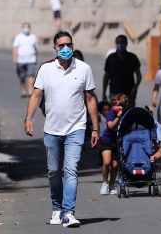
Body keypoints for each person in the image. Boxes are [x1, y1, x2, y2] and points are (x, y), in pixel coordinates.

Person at [24, 31, 99, 227]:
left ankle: (68, 212)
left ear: (73, 46)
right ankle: (57, 208)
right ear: (55, 48)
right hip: (52, 129)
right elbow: (35, 96)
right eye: (62, 45)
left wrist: (95, 128)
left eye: (69, 44)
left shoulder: (84, 68)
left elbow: (90, 99)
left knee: (71, 170)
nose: (66, 48)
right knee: (54, 171)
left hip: (77, 127)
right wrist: (28, 118)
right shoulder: (46, 69)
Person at [99, 93, 129, 195]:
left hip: (117, 142)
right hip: (107, 140)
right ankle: (105, 183)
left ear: (124, 106)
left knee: (115, 165)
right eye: (114, 104)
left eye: (119, 104)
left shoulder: (126, 115)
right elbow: (111, 126)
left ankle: (112, 184)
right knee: (107, 162)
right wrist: (118, 118)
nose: (116, 107)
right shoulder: (110, 114)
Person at [102, 34, 142, 107]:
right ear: (115, 44)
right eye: (118, 43)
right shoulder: (110, 58)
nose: (120, 45)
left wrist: (135, 87)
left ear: (126, 43)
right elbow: (106, 77)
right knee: (115, 116)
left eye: (122, 42)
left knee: (129, 116)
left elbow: (138, 75)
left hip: (129, 94)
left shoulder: (133, 58)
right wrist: (103, 92)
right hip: (114, 94)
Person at [12, 22, 38, 97]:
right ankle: (23, 90)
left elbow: (35, 48)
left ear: (30, 28)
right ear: (22, 28)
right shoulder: (18, 37)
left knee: (31, 75)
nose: (26, 29)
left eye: (28, 27)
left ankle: (30, 91)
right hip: (21, 60)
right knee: (22, 77)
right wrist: (14, 57)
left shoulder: (33, 37)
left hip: (31, 60)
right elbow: (15, 47)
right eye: (25, 27)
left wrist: (36, 57)